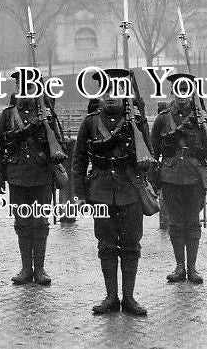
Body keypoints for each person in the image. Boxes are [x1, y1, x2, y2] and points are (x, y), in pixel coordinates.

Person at [71, 68, 150, 315]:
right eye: (107, 91)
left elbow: (149, 155)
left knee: (131, 245)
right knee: (106, 245)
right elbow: (79, 160)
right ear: (100, 95)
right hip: (101, 192)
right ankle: (110, 297)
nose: (112, 97)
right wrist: (80, 194)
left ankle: (129, 298)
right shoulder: (90, 123)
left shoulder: (137, 122)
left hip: (130, 192)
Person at [0, 70, 65, 286]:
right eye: (22, 88)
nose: (26, 92)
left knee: (40, 223)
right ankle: (26, 268)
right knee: (22, 223)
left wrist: (47, 140)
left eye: (30, 88)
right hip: (17, 177)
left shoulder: (47, 114)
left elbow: (60, 146)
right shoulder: (8, 115)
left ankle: (40, 269)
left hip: (41, 176)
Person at [150, 73, 207, 284]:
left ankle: (192, 267)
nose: (182, 95)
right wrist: (154, 180)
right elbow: (153, 152)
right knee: (176, 223)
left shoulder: (201, 118)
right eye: (179, 90)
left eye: (187, 90)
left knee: (193, 222)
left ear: (192, 93)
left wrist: (204, 129)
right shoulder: (163, 118)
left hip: (194, 177)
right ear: (172, 92)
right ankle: (179, 267)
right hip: (170, 177)